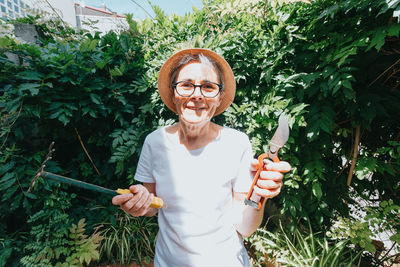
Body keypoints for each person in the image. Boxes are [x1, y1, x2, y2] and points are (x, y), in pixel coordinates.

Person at [112, 48, 291, 266]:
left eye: (208, 87)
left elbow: (245, 227)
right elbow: (151, 206)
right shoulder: (154, 142)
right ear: (173, 92)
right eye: (186, 85)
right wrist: (139, 202)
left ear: (219, 98)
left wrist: (258, 198)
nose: (197, 94)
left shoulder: (236, 143)